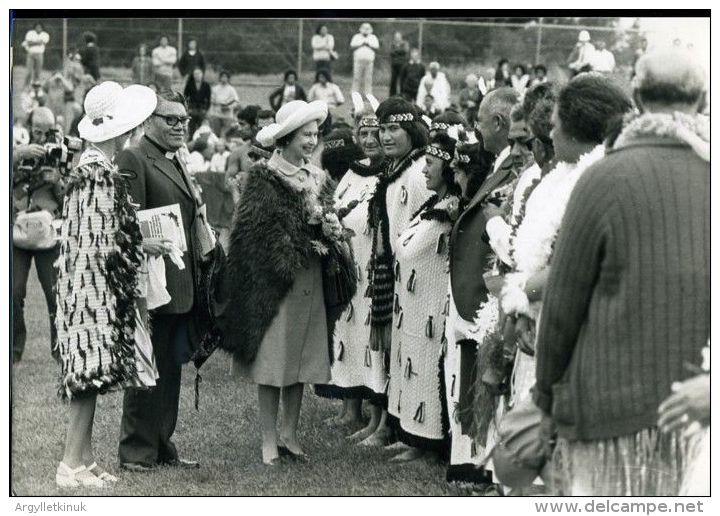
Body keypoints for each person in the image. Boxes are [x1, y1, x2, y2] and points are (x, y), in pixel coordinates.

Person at [534, 50, 708, 496]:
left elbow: (561, 305)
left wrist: (545, 399)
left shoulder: (604, 177)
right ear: (703, 99)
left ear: (638, 95)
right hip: (698, 416)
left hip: (609, 415)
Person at [218, 100, 355, 465]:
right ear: (288, 137)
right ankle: (267, 439)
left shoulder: (317, 176)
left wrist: (330, 231)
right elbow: (251, 233)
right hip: (275, 284)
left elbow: (327, 215)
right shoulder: (265, 177)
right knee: (273, 362)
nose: (311, 141)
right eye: (305, 135)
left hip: (310, 279)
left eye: (314, 134)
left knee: (300, 361)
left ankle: (290, 435)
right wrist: (298, 235)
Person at [54, 81, 158, 488]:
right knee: (86, 373)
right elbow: (100, 239)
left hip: (91, 283)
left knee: (93, 375)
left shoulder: (98, 167)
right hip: (90, 286)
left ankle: (84, 457)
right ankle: (69, 463)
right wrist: (141, 243)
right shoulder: (95, 172)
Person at [117, 90, 207, 472]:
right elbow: (126, 219)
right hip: (151, 283)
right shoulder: (134, 156)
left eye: (183, 119)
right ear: (148, 121)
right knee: (145, 367)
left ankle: (160, 444)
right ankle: (136, 451)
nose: (179, 126)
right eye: (171, 119)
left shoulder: (176, 158)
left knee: (170, 370)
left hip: (179, 281)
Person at [447, 88, 523, 479]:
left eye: (479, 121)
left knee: (490, 383)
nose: (475, 129)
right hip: (475, 290)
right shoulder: (498, 164)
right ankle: (473, 462)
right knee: (472, 383)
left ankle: (484, 468)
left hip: (492, 292)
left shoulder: (516, 168)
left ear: (498, 123)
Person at [361, 97, 433, 447]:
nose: (385, 136)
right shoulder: (394, 169)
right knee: (391, 352)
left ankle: (404, 430)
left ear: (411, 131)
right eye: (383, 129)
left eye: (394, 129)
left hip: (413, 276)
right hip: (391, 270)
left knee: (409, 354)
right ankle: (386, 423)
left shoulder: (417, 172)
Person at [386, 133, 460, 463]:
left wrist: (405, 238)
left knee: (428, 370)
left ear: (447, 167)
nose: (424, 171)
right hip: (415, 301)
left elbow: (407, 246)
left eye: (430, 164)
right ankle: (411, 436)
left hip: (432, 303)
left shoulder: (446, 210)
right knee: (413, 366)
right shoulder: (433, 205)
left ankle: (427, 445)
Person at [323, 99, 389, 438]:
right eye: (363, 132)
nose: (369, 138)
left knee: (371, 340)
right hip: (348, 265)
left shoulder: (389, 171)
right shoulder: (353, 170)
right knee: (347, 335)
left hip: (373, 266)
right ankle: (350, 407)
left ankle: (377, 416)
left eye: (375, 131)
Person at [12, 107, 66, 364]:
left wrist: (57, 179)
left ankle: (59, 349)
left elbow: (69, 199)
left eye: (48, 132)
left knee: (55, 294)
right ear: (29, 127)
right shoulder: (16, 148)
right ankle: (12, 349)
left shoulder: (61, 154)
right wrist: (16, 156)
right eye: (37, 131)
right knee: (12, 291)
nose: (43, 137)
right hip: (18, 230)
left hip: (49, 231)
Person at [350, 23, 380, 96]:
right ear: (361, 29)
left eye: (367, 29)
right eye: (364, 28)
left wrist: (369, 45)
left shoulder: (373, 37)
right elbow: (352, 47)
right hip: (358, 61)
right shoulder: (356, 37)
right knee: (356, 77)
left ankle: (368, 93)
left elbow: (377, 48)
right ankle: (354, 92)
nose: (365, 30)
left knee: (368, 78)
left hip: (369, 61)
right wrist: (361, 44)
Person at [209, 70, 239, 138]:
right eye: (222, 77)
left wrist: (228, 107)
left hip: (228, 116)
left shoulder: (231, 89)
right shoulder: (215, 88)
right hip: (216, 115)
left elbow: (236, 101)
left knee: (226, 134)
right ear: (220, 78)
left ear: (228, 78)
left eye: (225, 77)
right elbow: (211, 100)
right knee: (216, 134)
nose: (224, 79)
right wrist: (219, 103)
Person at [183, 67, 212, 138]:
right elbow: (185, 97)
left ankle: (201, 141)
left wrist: (206, 110)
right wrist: (188, 109)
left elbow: (208, 99)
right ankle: (191, 141)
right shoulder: (189, 84)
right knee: (192, 128)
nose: (197, 75)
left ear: (202, 74)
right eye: (195, 74)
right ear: (193, 75)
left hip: (202, 109)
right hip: (192, 109)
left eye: (198, 73)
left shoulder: (206, 85)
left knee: (202, 127)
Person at [22, 22, 50, 86]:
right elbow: (28, 43)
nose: (38, 28)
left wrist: (33, 42)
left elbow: (43, 43)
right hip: (31, 54)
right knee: (29, 72)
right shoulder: (30, 33)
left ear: (42, 28)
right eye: (37, 27)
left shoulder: (45, 35)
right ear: (35, 27)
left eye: (40, 27)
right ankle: (26, 86)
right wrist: (38, 42)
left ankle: (35, 86)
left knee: (38, 71)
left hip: (39, 54)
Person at [389, 32, 410, 97]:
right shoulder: (392, 44)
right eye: (396, 37)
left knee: (402, 80)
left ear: (401, 37)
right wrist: (399, 52)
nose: (397, 38)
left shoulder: (405, 43)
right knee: (393, 81)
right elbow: (391, 52)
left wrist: (396, 51)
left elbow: (405, 51)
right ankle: (392, 95)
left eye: (398, 37)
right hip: (394, 64)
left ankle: (402, 94)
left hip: (402, 65)